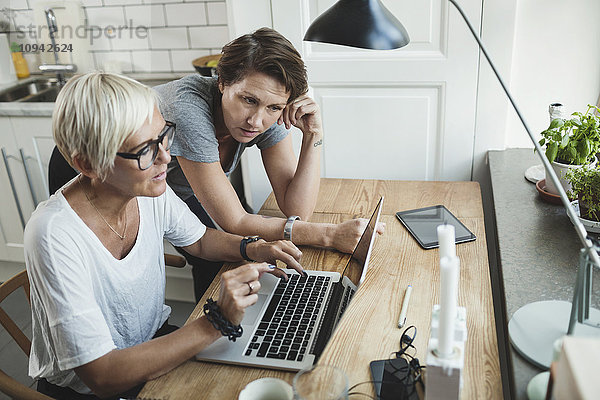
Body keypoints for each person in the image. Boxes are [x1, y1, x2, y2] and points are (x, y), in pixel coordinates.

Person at [24, 72, 305, 399]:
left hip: (155, 342)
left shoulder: (145, 188)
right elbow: (102, 375)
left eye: (163, 137)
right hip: (96, 388)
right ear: (87, 164)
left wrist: (255, 248)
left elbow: (199, 240)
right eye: (144, 150)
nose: (165, 158)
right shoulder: (53, 234)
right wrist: (215, 322)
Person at [154, 27, 384, 301]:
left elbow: (296, 210)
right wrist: (330, 236)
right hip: (143, 193)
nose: (256, 121)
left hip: (195, 187)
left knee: (264, 246)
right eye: (248, 100)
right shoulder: (188, 110)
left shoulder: (270, 112)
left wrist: (314, 135)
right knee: (225, 260)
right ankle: (210, 331)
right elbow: (235, 221)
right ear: (222, 82)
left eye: (274, 108)